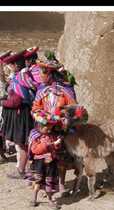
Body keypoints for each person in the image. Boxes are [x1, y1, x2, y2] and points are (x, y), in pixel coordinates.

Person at [31, 59, 77, 197]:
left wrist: (60, 114)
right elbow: (36, 107)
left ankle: (61, 184)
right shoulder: (42, 89)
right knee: (46, 157)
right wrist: (41, 116)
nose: (39, 75)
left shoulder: (66, 90)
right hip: (45, 129)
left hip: (60, 129)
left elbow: (73, 109)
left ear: (49, 74)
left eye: (41, 73)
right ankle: (47, 185)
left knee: (60, 158)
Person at [0, 50, 37, 179]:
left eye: (12, 64)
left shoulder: (20, 78)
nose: (10, 67)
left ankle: (22, 170)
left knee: (22, 143)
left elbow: (15, 101)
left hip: (21, 114)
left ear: (16, 65)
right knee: (23, 143)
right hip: (22, 113)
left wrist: (0, 102)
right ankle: (28, 168)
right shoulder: (24, 76)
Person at [27, 110, 62, 210]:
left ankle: (50, 200)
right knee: (38, 182)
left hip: (50, 163)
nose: (49, 130)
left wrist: (57, 145)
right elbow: (35, 150)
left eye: (51, 128)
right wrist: (45, 145)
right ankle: (33, 197)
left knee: (49, 182)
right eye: (47, 128)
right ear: (39, 126)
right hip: (40, 163)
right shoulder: (35, 136)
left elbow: (55, 148)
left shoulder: (52, 136)